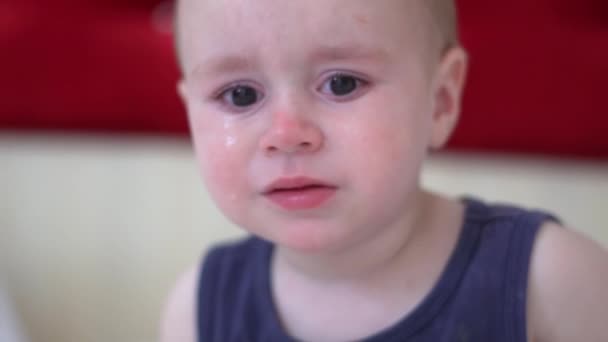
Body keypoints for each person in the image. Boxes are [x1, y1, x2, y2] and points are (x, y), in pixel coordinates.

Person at [162, 0, 608, 341]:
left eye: (342, 83)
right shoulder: (198, 311)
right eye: (239, 95)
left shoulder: (552, 281)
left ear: (440, 101)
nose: (287, 133)